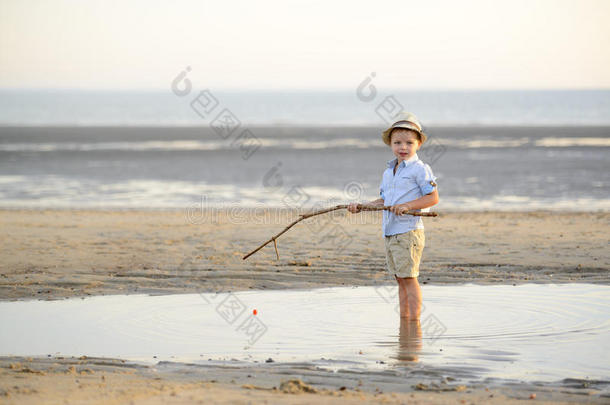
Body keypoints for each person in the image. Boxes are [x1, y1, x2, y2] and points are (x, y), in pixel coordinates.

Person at [348, 112, 439, 320]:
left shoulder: (419, 169)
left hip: (408, 231)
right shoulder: (389, 171)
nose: (403, 147)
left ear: (418, 144)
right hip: (390, 231)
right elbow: (384, 202)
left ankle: (414, 322)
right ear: (390, 144)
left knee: (409, 278)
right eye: (398, 142)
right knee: (400, 278)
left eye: (409, 142)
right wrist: (362, 206)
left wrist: (407, 205)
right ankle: (404, 319)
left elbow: (433, 197)